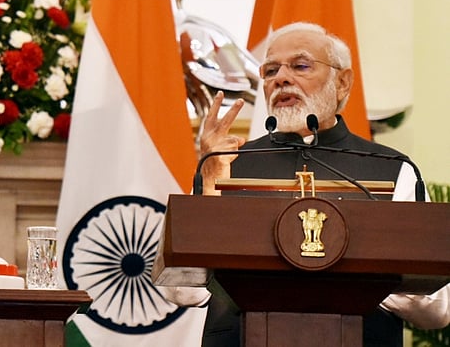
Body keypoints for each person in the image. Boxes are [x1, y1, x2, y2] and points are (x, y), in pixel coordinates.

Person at [189, 22, 449, 347]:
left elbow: (437, 309)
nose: (281, 78)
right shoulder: (225, 162)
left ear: (342, 82)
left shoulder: (394, 169)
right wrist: (210, 182)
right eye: (271, 71)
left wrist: (356, 278)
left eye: (300, 66)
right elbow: (181, 290)